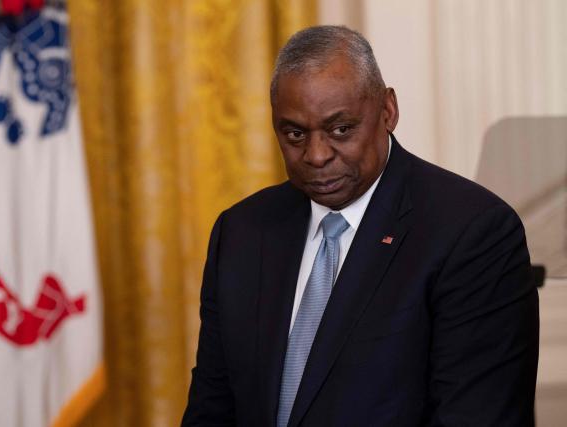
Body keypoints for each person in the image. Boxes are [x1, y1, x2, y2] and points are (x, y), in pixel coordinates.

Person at [182, 25, 539, 427]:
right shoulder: (242, 232)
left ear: (388, 111)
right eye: (295, 134)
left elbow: (477, 416)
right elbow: (212, 408)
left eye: (341, 129)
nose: (316, 156)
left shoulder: (472, 233)